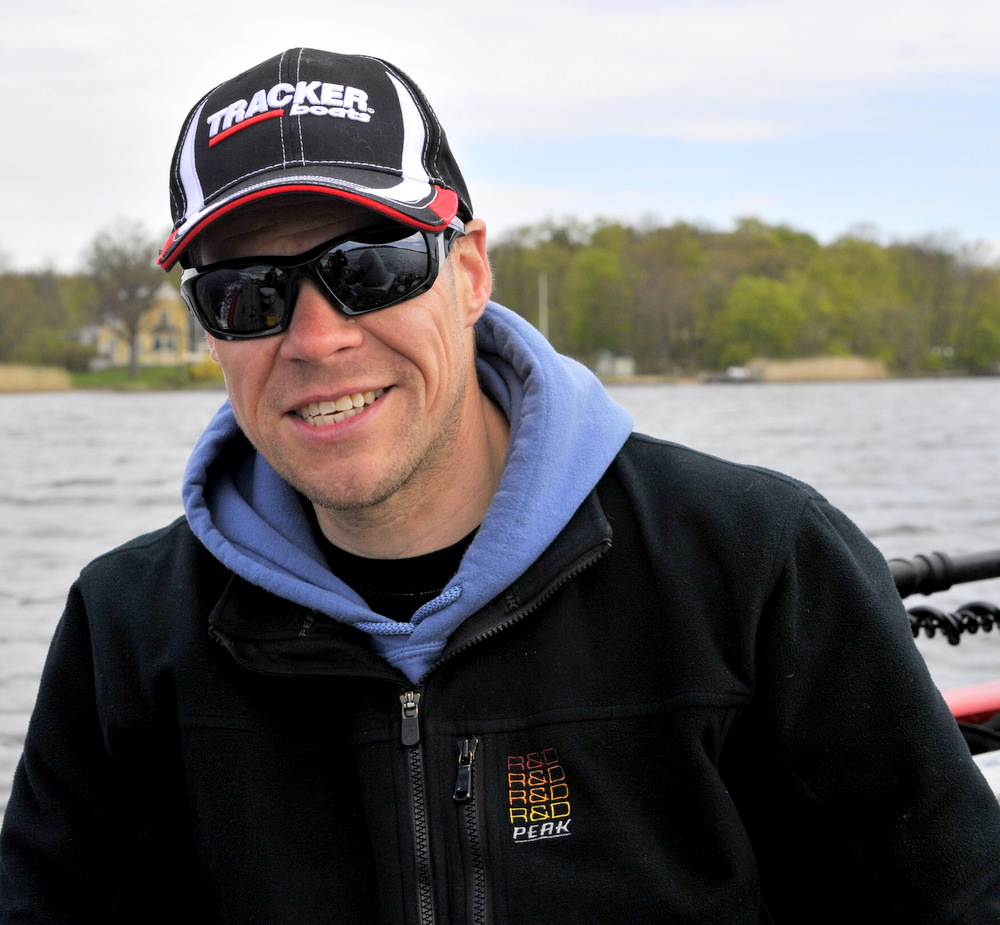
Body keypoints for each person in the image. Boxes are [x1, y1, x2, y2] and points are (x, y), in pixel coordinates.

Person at [1, 47, 998, 925]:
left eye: (371, 266)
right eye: (245, 294)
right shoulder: (126, 631)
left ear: (470, 271)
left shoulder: (758, 563)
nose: (316, 338)